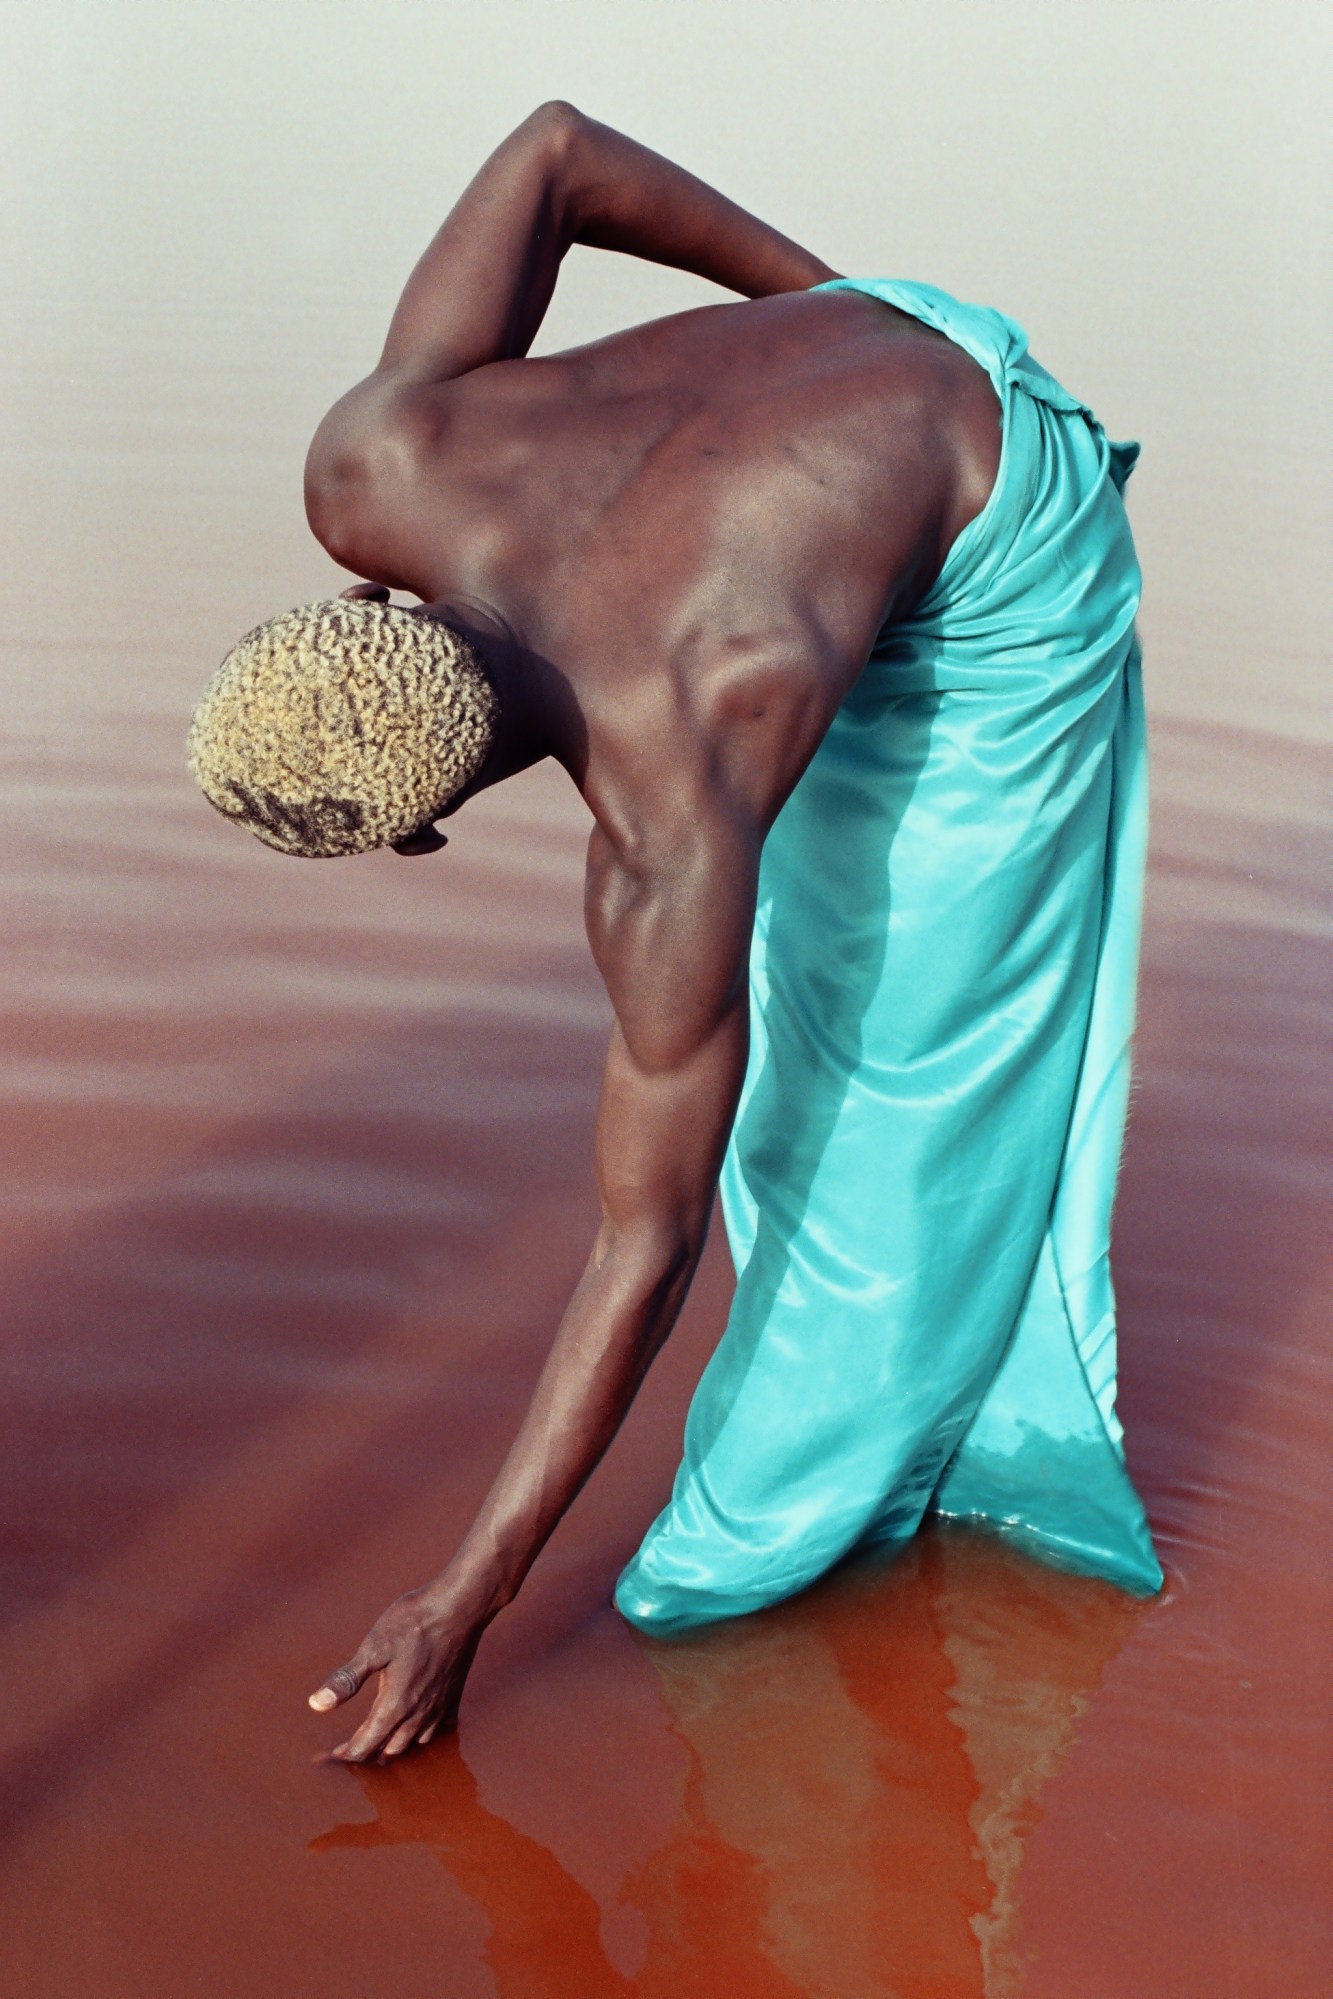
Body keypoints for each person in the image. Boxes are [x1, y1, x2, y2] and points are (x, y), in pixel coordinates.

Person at [188, 103, 1163, 1765]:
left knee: (909, 1057)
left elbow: (643, 1252)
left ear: (426, 823)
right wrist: (855, 317)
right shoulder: (370, 464)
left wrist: (464, 1596)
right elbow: (556, 150)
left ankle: (886, 1473)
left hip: (1013, 543)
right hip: (886, 356)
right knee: (803, 962)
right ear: (353, 596)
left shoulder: (669, 823)